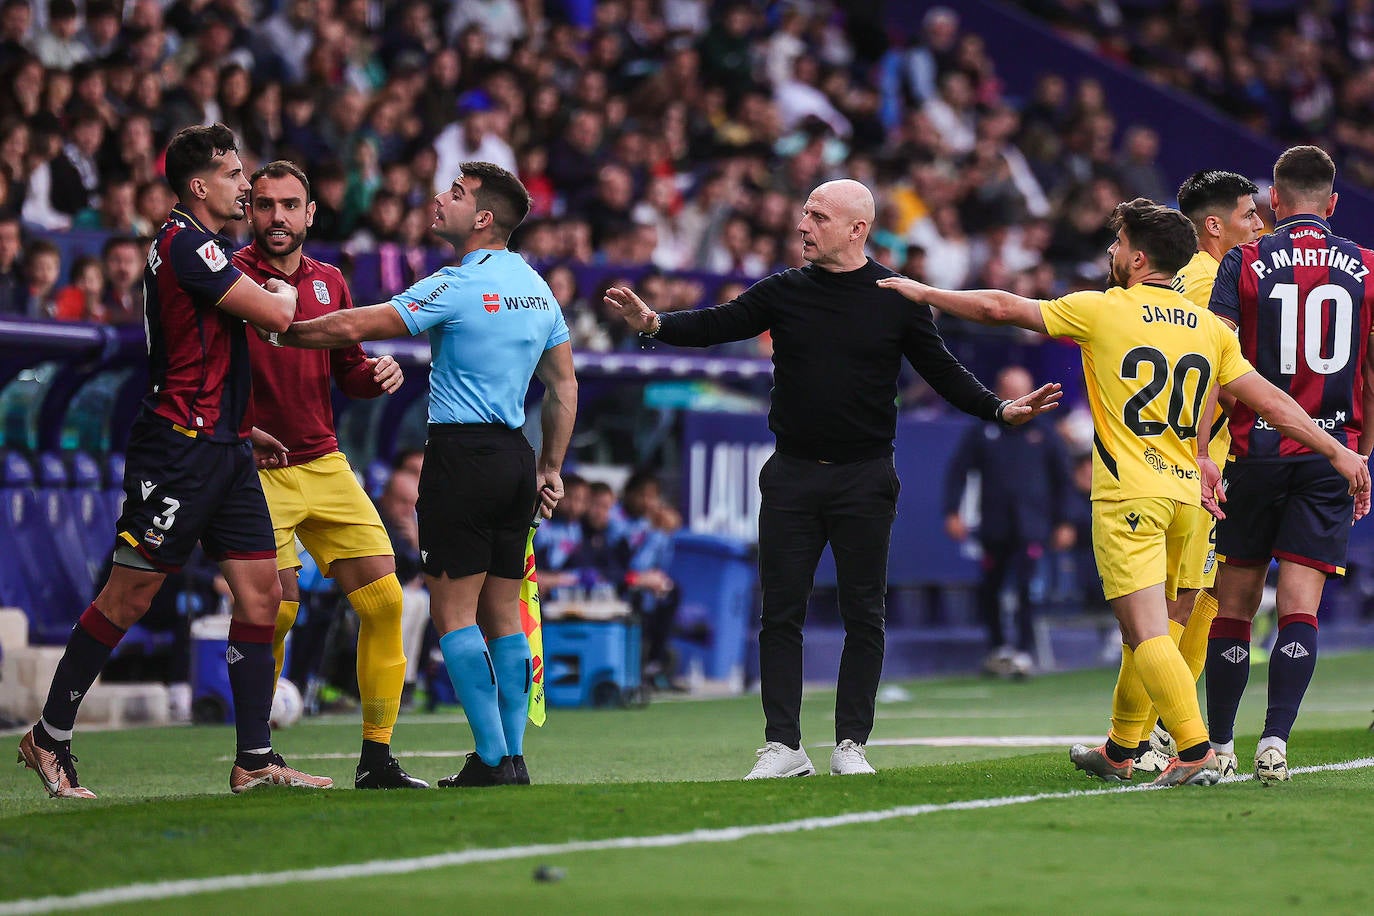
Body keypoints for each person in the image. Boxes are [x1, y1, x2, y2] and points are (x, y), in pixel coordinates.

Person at [878, 197, 1370, 787]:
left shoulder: (1103, 310)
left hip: (1129, 496)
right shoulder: (1211, 328)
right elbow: (1270, 402)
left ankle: (1196, 748)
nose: (1111, 255)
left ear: (1138, 258)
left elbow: (999, 306)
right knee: (1165, 624)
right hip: (1190, 497)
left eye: (1116, 246)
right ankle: (1120, 750)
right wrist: (1338, 449)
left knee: (1145, 631)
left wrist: (923, 292)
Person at [603, 178, 1064, 780]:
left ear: (856, 229)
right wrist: (655, 323)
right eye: (803, 214)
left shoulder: (896, 296)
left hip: (865, 477)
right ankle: (783, 745)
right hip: (791, 473)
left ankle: (852, 743)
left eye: (818, 217)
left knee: (863, 613)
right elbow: (721, 322)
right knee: (781, 614)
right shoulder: (783, 290)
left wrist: (999, 410)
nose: (803, 225)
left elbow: (944, 371)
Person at [16, 123, 333, 798]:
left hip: (226, 448)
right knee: (129, 595)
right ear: (200, 185)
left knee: (263, 596)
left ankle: (254, 758)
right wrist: (279, 296)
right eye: (233, 173)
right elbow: (278, 314)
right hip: (179, 451)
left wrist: (243, 427)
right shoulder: (186, 245)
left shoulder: (205, 248)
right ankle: (49, 736)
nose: (245, 185)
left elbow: (230, 341)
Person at [269, 161, 577, 788]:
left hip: (460, 458)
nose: (441, 199)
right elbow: (564, 385)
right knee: (502, 615)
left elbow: (359, 325)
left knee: (452, 615)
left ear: (483, 218)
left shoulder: (458, 283)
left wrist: (277, 329)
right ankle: (512, 755)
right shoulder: (539, 289)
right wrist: (551, 467)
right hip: (516, 457)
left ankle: (493, 758)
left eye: (456, 195)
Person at [235, 159, 426, 790]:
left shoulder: (330, 282)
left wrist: (374, 376)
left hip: (323, 460)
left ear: (311, 213)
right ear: (250, 210)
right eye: (265, 205)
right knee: (279, 612)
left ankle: (376, 759)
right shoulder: (229, 277)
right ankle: (258, 758)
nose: (277, 217)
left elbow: (346, 371)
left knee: (386, 599)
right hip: (258, 467)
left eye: (290, 205)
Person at [1205, 146, 1374, 784]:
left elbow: (1218, 368)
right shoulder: (1366, 267)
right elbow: (1372, 375)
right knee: (1300, 605)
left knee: (1236, 604)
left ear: (1273, 202)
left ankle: (1219, 745)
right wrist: (1358, 456)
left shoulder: (1244, 261)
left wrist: (1201, 453)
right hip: (1331, 456)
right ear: (1333, 204)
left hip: (1256, 453)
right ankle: (1274, 741)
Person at [1128, 168, 1264, 775]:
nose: (1258, 224)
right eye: (1247, 214)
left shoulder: (1189, 273)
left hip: (1174, 456)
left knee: (1192, 595)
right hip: (1199, 457)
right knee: (1189, 599)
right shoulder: (1212, 277)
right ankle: (1166, 731)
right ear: (1214, 226)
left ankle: (1146, 731)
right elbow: (1214, 369)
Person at [943, 364, 1075, 679]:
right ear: (998, 392)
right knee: (991, 587)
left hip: (1032, 526)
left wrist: (1065, 521)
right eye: (1010, 389)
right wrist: (952, 511)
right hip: (994, 525)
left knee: (1028, 588)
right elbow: (958, 472)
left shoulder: (1045, 432)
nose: (1017, 395)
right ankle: (997, 648)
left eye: (1022, 388)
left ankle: (1025, 651)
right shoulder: (983, 431)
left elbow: (1063, 480)